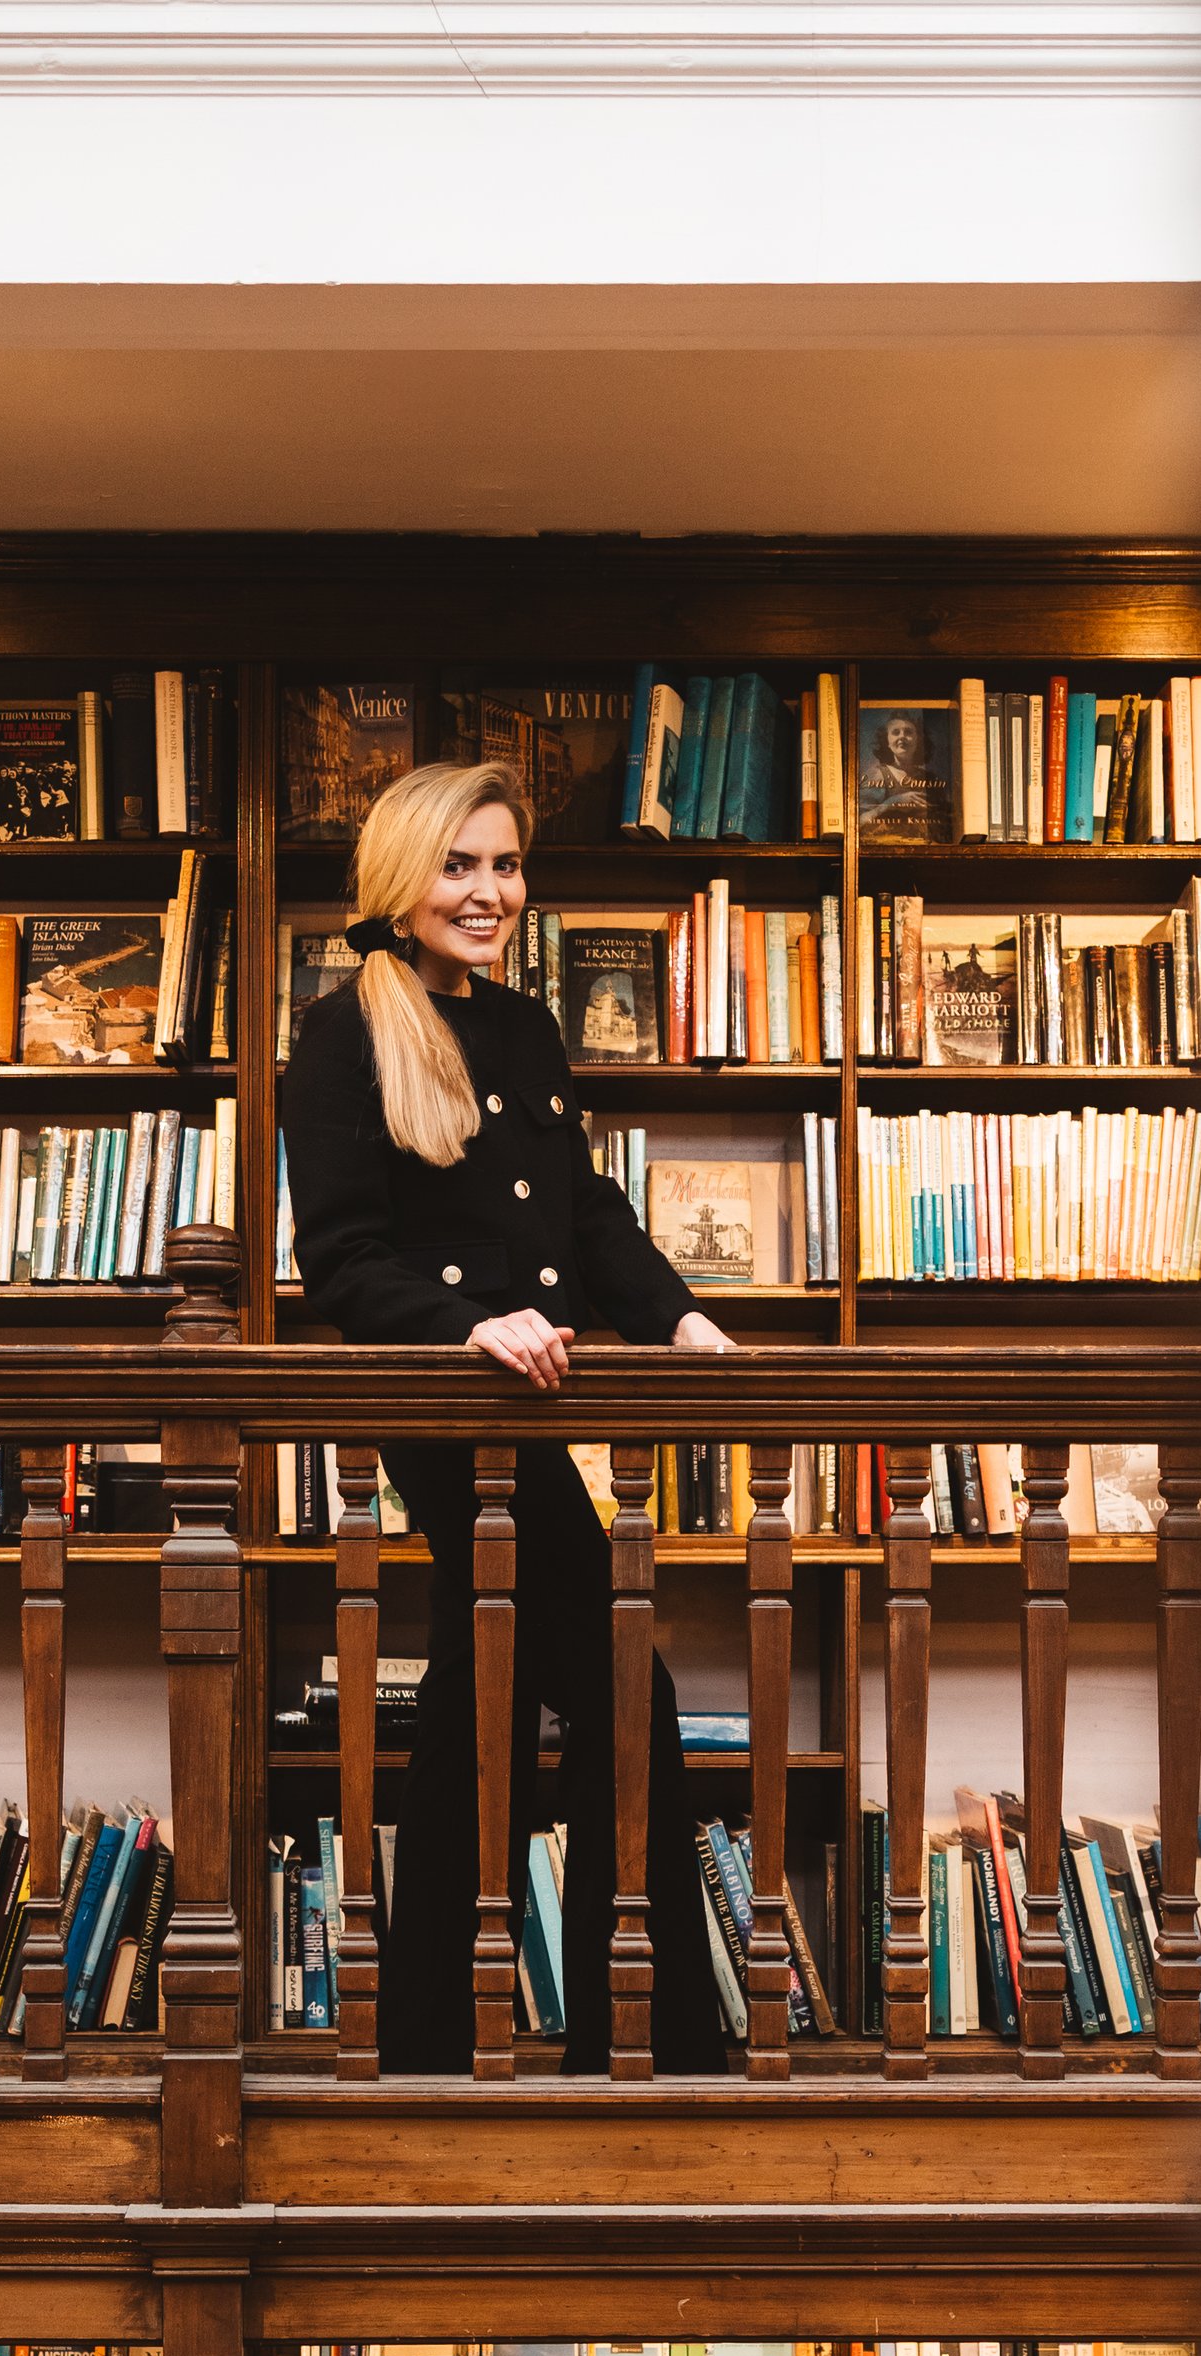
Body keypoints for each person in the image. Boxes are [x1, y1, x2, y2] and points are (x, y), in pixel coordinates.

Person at [278, 757, 735, 2074]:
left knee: (485, 1697)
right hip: (446, 1404)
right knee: (624, 1688)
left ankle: (430, 2041)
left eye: (506, 864)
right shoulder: (342, 1033)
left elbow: (585, 1212)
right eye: (459, 864)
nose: (488, 891)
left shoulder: (527, 1028)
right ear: (400, 878)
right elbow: (342, 1260)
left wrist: (681, 1320)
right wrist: (465, 1325)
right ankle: (645, 2041)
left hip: (529, 1407)